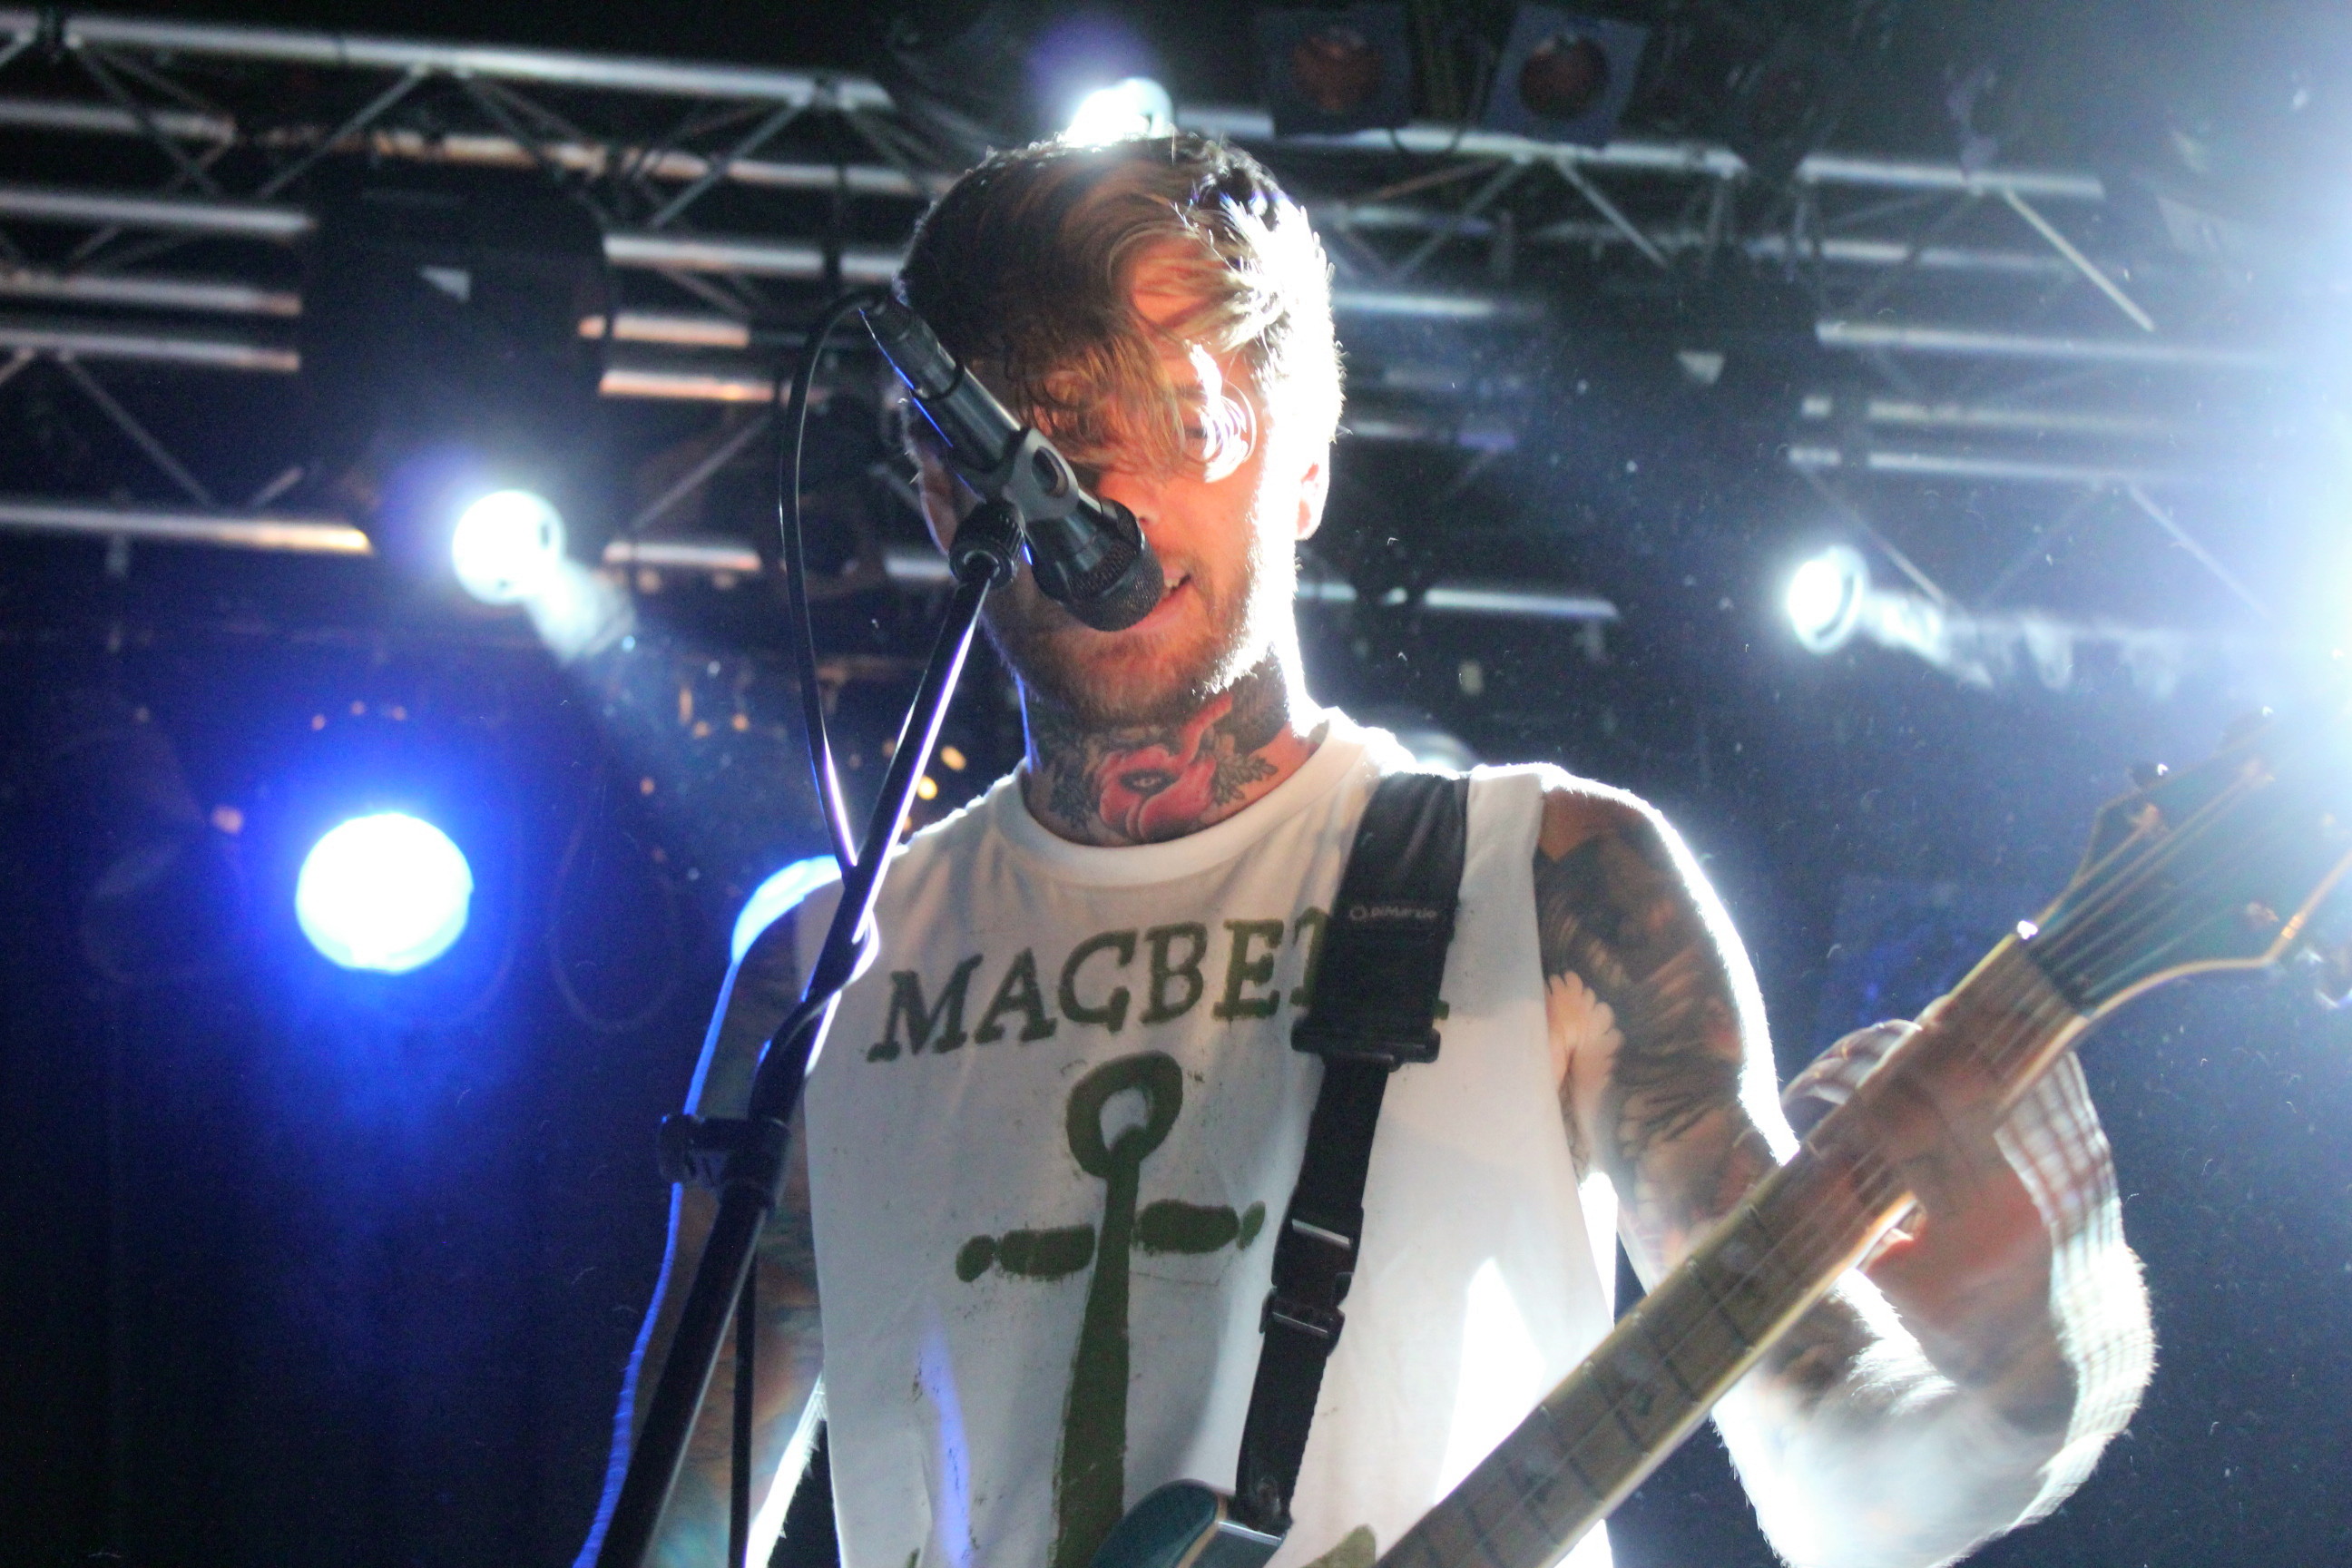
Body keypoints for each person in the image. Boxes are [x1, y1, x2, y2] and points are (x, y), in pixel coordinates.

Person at [580, 132, 2152, 1568]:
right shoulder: (826, 975)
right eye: (1034, 441)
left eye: (1186, 421)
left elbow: (1854, 1490)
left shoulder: (1550, 883)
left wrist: (2029, 1339)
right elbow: (671, 1526)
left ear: (1306, 461)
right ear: (941, 492)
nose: (1105, 496)